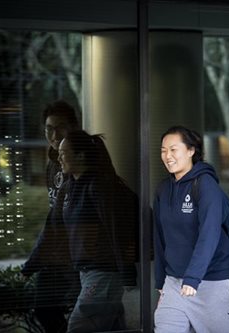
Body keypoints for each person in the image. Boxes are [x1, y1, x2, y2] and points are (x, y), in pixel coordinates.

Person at [153, 125, 229, 333]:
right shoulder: (163, 189)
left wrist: (193, 278)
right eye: (163, 150)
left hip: (214, 281)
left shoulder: (205, 184)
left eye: (173, 149)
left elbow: (209, 234)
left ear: (191, 151)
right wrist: (160, 280)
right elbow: (160, 238)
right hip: (175, 283)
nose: (167, 156)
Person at [57, 129, 138, 333]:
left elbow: (117, 230)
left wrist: (128, 272)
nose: (58, 158)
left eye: (64, 153)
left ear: (81, 156)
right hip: (90, 273)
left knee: (78, 327)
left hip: (103, 274)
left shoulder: (99, 186)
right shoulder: (72, 188)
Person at [21, 100, 80, 333]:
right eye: (49, 129)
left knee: (80, 314)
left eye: (61, 127)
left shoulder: (79, 162)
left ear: (74, 127)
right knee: (43, 309)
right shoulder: (52, 164)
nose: (54, 135)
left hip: (77, 255)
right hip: (56, 254)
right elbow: (53, 215)